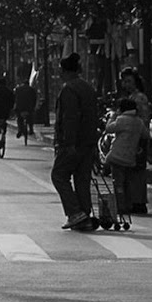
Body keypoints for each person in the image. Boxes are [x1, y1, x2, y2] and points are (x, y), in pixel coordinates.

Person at [51, 53, 100, 230]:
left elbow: (70, 118)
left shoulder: (69, 89)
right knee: (82, 179)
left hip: (74, 143)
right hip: (89, 141)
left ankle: (74, 212)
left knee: (58, 175)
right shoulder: (88, 87)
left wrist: (68, 143)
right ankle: (84, 216)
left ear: (66, 71)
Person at [116, 68, 152, 213]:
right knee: (130, 171)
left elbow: (143, 120)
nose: (126, 84)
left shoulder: (140, 98)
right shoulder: (130, 97)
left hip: (139, 139)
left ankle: (138, 202)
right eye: (124, 81)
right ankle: (132, 200)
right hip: (130, 139)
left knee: (137, 171)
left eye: (129, 81)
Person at [105, 99, 148, 219]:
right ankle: (128, 205)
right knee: (127, 183)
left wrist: (112, 117)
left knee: (118, 183)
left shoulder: (121, 120)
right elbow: (145, 135)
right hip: (130, 158)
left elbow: (109, 128)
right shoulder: (139, 122)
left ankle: (120, 206)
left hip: (116, 157)